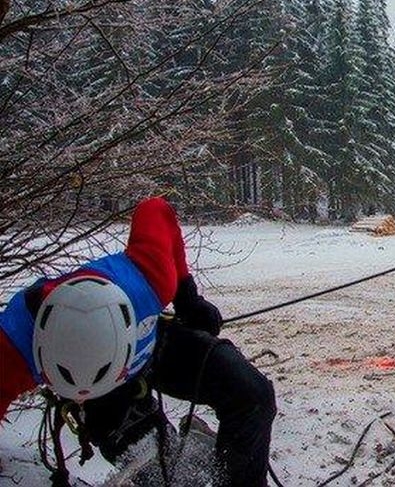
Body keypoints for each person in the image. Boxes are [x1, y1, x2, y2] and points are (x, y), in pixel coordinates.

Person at [0, 197, 276, 486]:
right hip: (106, 400)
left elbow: (156, 208)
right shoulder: (12, 347)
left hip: (149, 337)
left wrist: (186, 297)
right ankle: (188, 455)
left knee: (252, 395)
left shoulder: (149, 277)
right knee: (170, 477)